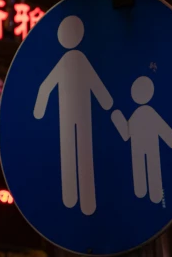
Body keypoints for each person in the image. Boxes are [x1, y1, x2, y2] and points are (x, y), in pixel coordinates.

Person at [33, 15, 113, 215]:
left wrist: (39, 110)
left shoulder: (73, 60)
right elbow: (46, 86)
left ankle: (73, 198)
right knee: (81, 152)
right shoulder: (73, 60)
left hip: (74, 116)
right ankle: (83, 200)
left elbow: (45, 87)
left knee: (72, 151)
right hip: (78, 115)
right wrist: (107, 102)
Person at [111, 76, 172, 204]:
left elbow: (167, 133)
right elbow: (126, 134)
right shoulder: (141, 113)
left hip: (147, 148)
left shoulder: (147, 112)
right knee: (142, 169)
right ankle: (144, 195)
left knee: (149, 168)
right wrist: (118, 120)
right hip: (138, 149)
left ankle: (150, 195)